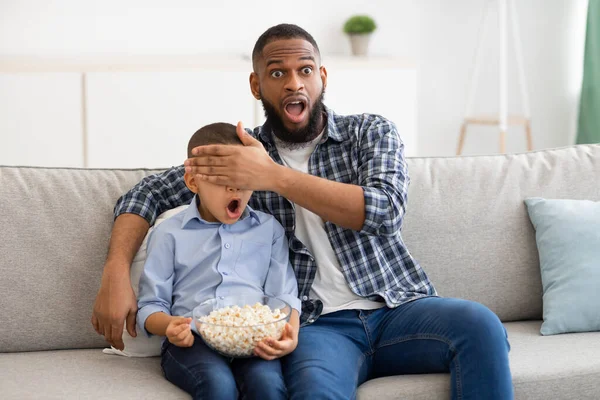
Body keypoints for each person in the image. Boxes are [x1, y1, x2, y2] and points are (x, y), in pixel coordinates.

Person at [92, 24, 514, 399]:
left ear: (322, 76)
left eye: (305, 70)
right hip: (315, 328)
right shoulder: (241, 155)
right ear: (257, 85)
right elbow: (143, 195)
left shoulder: (369, 132)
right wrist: (115, 270)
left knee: (481, 326)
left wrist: (273, 175)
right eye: (278, 73)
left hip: (397, 308)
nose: (294, 83)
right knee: (313, 391)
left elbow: (385, 211)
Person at [135, 122, 301, 400]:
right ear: (193, 181)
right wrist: (169, 327)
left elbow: (282, 294)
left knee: (268, 388)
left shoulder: (268, 229)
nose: (236, 189)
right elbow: (150, 305)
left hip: (253, 339)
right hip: (192, 342)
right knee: (218, 387)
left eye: (244, 180)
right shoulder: (169, 233)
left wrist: (290, 332)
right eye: (224, 181)